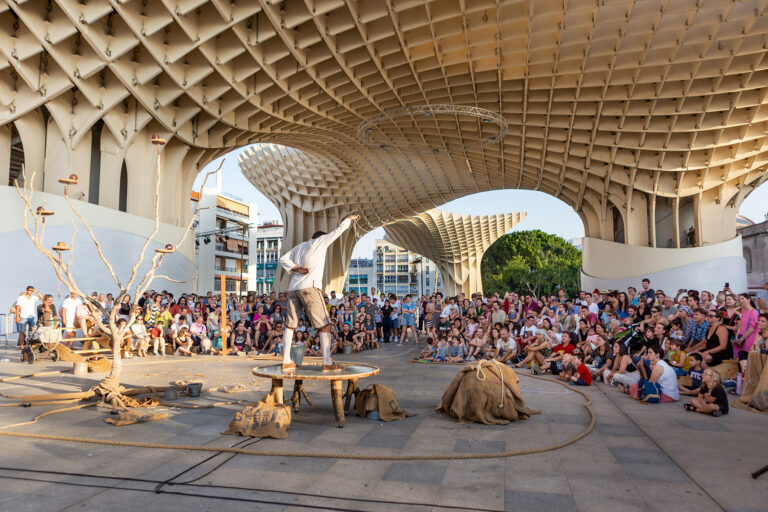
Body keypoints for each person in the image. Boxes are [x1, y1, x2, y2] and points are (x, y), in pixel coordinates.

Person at [279, 214, 360, 371]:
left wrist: (295, 268)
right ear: (322, 237)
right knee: (325, 325)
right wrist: (349, 219)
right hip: (310, 287)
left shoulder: (300, 247)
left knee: (290, 325)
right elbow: (339, 230)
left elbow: (283, 259)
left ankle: (286, 360)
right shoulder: (321, 241)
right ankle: (327, 362)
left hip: (294, 288)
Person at [734, 293, 759, 358]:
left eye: (742, 299)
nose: (741, 301)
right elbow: (741, 325)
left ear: (748, 300)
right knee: (738, 357)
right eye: (739, 299)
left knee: (747, 357)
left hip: (749, 338)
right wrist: (737, 337)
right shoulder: (743, 310)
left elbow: (752, 328)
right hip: (741, 336)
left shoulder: (754, 312)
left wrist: (741, 339)